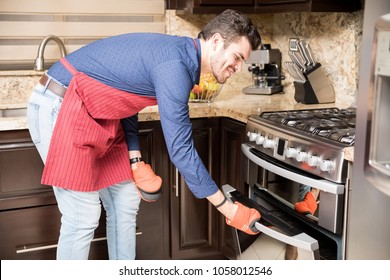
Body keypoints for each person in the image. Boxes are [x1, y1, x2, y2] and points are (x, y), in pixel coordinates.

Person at [26, 9, 262, 260]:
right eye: (237, 57)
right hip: (60, 105)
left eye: (242, 61)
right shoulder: (175, 67)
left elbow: (126, 95)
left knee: (125, 200)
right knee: (81, 215)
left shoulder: (182, 56)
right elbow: (181, 150)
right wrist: (228, 209)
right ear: (216, 42)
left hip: (95, 113)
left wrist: (134, 157)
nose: (238, 67)